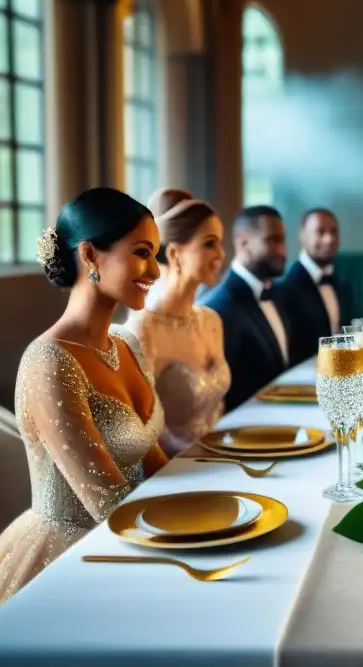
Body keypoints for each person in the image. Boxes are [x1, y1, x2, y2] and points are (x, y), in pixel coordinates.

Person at [0, 188, 167, 605]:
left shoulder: (126, 344)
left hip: (142, 533)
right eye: (143, 252)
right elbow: (111, 507)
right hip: (76, 562)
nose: (156, 271)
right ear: (91, 256)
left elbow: (157, 464)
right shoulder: (49, 363)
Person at [122, 189, 230, 455]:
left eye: (220, 243)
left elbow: (218, 407)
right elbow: (143, 431)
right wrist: (201, 458)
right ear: (174, 255)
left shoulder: (211, 321)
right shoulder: (144, 329)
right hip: (174, 471)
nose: (222, 254)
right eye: (209, 244)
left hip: (222, 457)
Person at [201, 206, 289, 411]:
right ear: (243, 244)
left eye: (282, 240)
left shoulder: (276, 292)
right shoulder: (220, 307)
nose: (283, 250)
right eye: (272, 241)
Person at [277, 207, 356, 365]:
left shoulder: (340, 282)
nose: (329, 239)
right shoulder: (286, 288)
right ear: (302, 236)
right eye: (320, 232)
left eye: (334, 232)